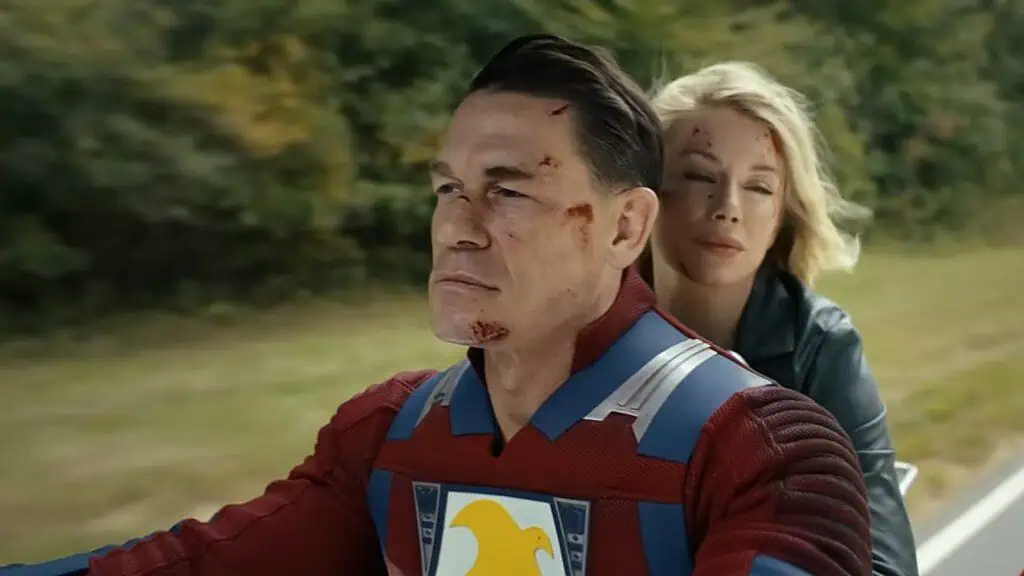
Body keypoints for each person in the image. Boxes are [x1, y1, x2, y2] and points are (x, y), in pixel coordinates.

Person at [2, 36, 872, 576]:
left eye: (508, 190)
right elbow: (196, 564)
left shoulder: (765, 454)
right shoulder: (387, 435)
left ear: (625, 226)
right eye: (449, 187)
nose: (457, 226)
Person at [640, 61, 917, 576]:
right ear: (644, 194)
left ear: (780, 218)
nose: (728, 207)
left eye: (759, 187)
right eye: (699, 175)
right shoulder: (581, 324)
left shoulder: (820, 346)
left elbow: (884, 564)